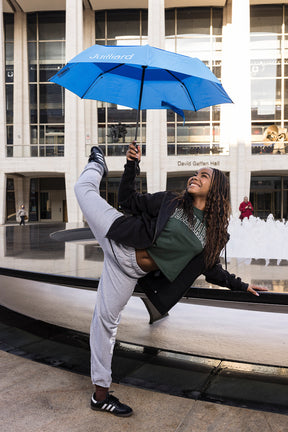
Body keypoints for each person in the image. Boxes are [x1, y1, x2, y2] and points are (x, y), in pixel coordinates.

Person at [74, 144, 268, 417]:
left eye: (204, 176)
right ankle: (97, 165)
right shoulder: (171, 201)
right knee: (83, 190)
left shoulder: (213, 234)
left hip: (129, 271)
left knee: (105, 323)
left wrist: (241, 284)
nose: (195, 177)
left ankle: (100, 396)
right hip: (118, 237)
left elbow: (211, 269)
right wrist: (132, 165)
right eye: (195, 173)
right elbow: (128, 201)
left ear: (216, 189)